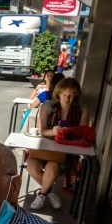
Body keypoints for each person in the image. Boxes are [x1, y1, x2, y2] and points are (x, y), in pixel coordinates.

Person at [28, 77, 90, 211]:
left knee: (52, 168)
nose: (67, 98)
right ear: (58, 93)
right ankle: (50, 191)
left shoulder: (82, 109)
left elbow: (82, 132)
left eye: (71, 95)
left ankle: (42, 194)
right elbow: (42, 131)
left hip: (64, 152)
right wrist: (53, 132)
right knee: (31, 166)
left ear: (76, 96)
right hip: (44, 148)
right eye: (64, 94)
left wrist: (69, 132)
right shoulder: (47, 106)